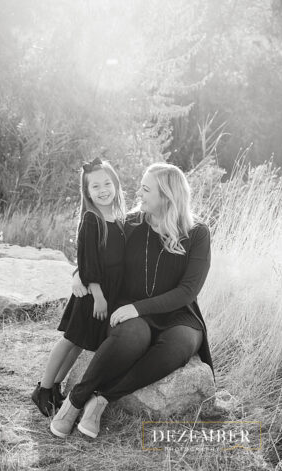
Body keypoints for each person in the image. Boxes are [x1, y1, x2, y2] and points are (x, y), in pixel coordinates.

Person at [50, 162, 213, 439]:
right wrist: (79, 273)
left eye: (146, 189)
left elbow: (188, 290)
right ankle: (74, 402)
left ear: (166, 195)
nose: (139, 192)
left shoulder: (197, 233)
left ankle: (99, 399)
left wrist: (138, 308)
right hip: (130, 308)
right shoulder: (132, 223)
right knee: (131, 338)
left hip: (177, 313)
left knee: (181, 344)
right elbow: (101, 257)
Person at [31, 157, 127, 416]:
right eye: (95, 187)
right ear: (87, 192)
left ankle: (56, 389)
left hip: (108, 294)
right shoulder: (91, 220)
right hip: (92, 295)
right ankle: (43, 388)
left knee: (79, 344)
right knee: (69, 341)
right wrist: (98, 296)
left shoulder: (119, 218)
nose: (103, 190)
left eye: (107, 183)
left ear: (116, 185)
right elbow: (89, 263)